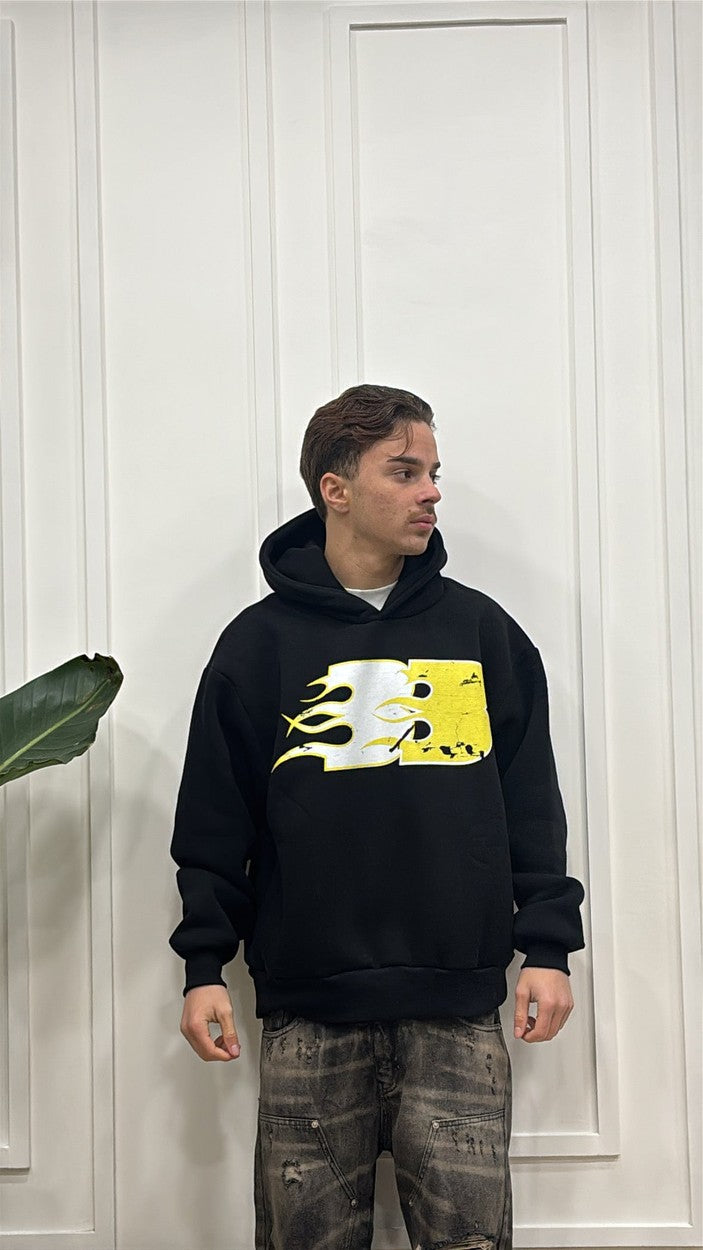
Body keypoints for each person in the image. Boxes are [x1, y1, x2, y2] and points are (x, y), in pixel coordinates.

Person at [169, 383, 586, 1250]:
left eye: (433, 472)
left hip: (458, 1012)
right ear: (336, 488)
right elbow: (214, 820)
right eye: (403, 471)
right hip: (308, 1018)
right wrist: (203, 965)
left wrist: (547, 946)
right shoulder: (257, 646)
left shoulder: (480, 632)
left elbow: (530, 805)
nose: (430, 491)